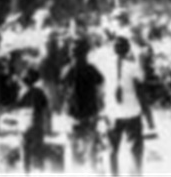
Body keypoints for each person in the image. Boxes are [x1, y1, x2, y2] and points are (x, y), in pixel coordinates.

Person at [61, 38, 104, 170]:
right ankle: (92, 169)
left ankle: (75, 169)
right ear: (86, 53)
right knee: (91, 144)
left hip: (72, 112)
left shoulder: (67, 70)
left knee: (72, 144)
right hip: (90, 111)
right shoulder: (91, 69)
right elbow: (100, 85)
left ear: (71, 54)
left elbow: (63, 89)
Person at [105, 35, 145, 176]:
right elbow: (142, 78)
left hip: (113, 112)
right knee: (135, 148)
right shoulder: (132, 66)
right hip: (132, 110)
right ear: (127, 49)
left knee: (112, 149)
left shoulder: (106, 65)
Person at [17, 67, 49, 174]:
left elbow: (17, 105)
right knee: (39, 151)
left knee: (24, 151)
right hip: (37, 122)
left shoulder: (21, 92)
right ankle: (40, 172)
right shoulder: (40, 92)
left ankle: (25, 172)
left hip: (24, 123)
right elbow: (45, 107)